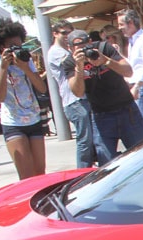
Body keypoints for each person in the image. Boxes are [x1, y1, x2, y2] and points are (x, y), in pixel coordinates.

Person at [64, 29, 143, 165]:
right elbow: (78, 92)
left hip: (127, 109)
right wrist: (79, 67)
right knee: (107, 162)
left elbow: (128, 71)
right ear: (70, 48)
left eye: (85, 45)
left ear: (90, 42)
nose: (82, 50)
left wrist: (105, 60)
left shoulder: (103, 48)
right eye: (77, 48)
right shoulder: (69, 62)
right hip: (101, 115)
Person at [0, 19, 47, 180]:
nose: (17, 50)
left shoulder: (26, 61)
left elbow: (42, 88)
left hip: (34, 119)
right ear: (1, 47)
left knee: (40, 173)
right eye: (12, 47)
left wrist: (25, 67)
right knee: (26, 176)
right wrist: (3, 69)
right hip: (13, 123)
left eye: (19, 46)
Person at [47, 20, 94, 169]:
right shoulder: (56, 52)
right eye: (63, 32)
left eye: (70, 32)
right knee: (84, 140)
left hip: (82, 98)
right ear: (55, 34)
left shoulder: (68, 50)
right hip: (73, 100)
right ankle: (82, 172)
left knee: (91, 139)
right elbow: (72, 66)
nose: (67, 35)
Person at [118, 9, 143, 134]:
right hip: (139, 85)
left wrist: (137, 86)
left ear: (130, 23)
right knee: (140, 123)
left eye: (121, 24)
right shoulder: (133, 41)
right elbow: (133, 65)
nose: (119, 28)